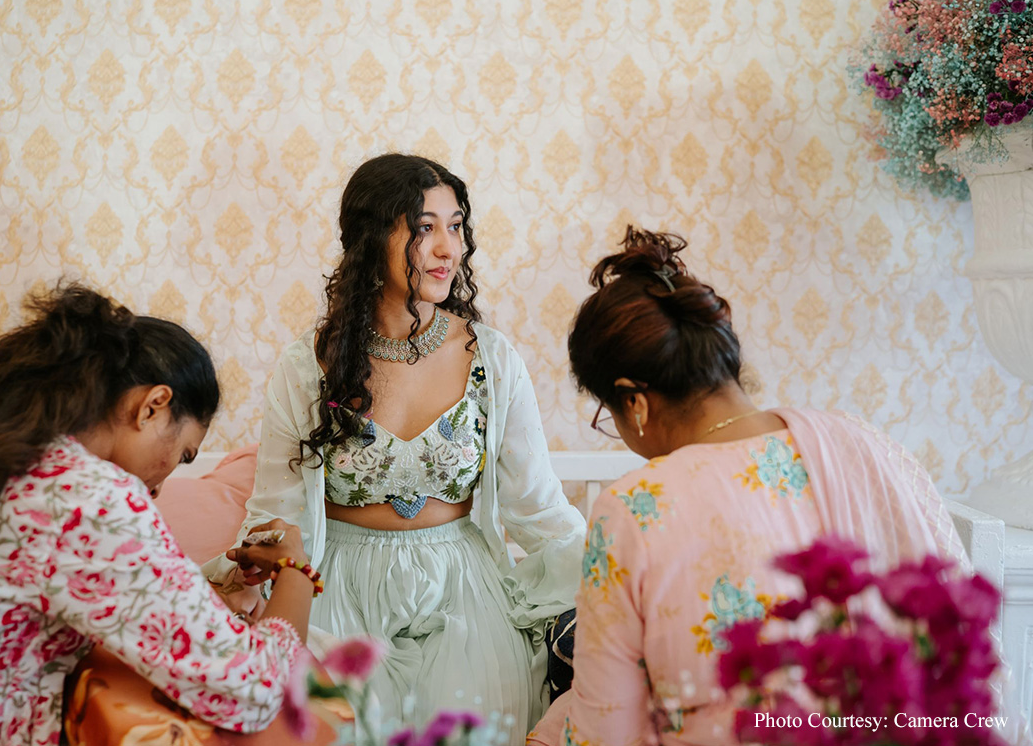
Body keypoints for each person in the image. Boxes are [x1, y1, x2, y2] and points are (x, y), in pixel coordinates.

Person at [0, 284, 318, 746]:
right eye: (183, 454)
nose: (161, 486)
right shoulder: (87, 496)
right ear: (152, 407)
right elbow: (253, 688)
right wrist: (295, 569)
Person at [528, 227, 969, 746]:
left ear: (634, 401)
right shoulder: (865, 444)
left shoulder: (633, 508)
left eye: (609, 414)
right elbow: (955, 626)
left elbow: (605, 731)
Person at [204, 153, 586, 740]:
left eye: (455, 226)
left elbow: (538, 506)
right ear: (371, 238)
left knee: (478, 723)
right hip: (340, 590)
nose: (448, 248)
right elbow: (278, 509)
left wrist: (615, 577)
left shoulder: (491, 358)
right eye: (424, 228)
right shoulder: (308, 365)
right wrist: (235, 585)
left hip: (463, 589)